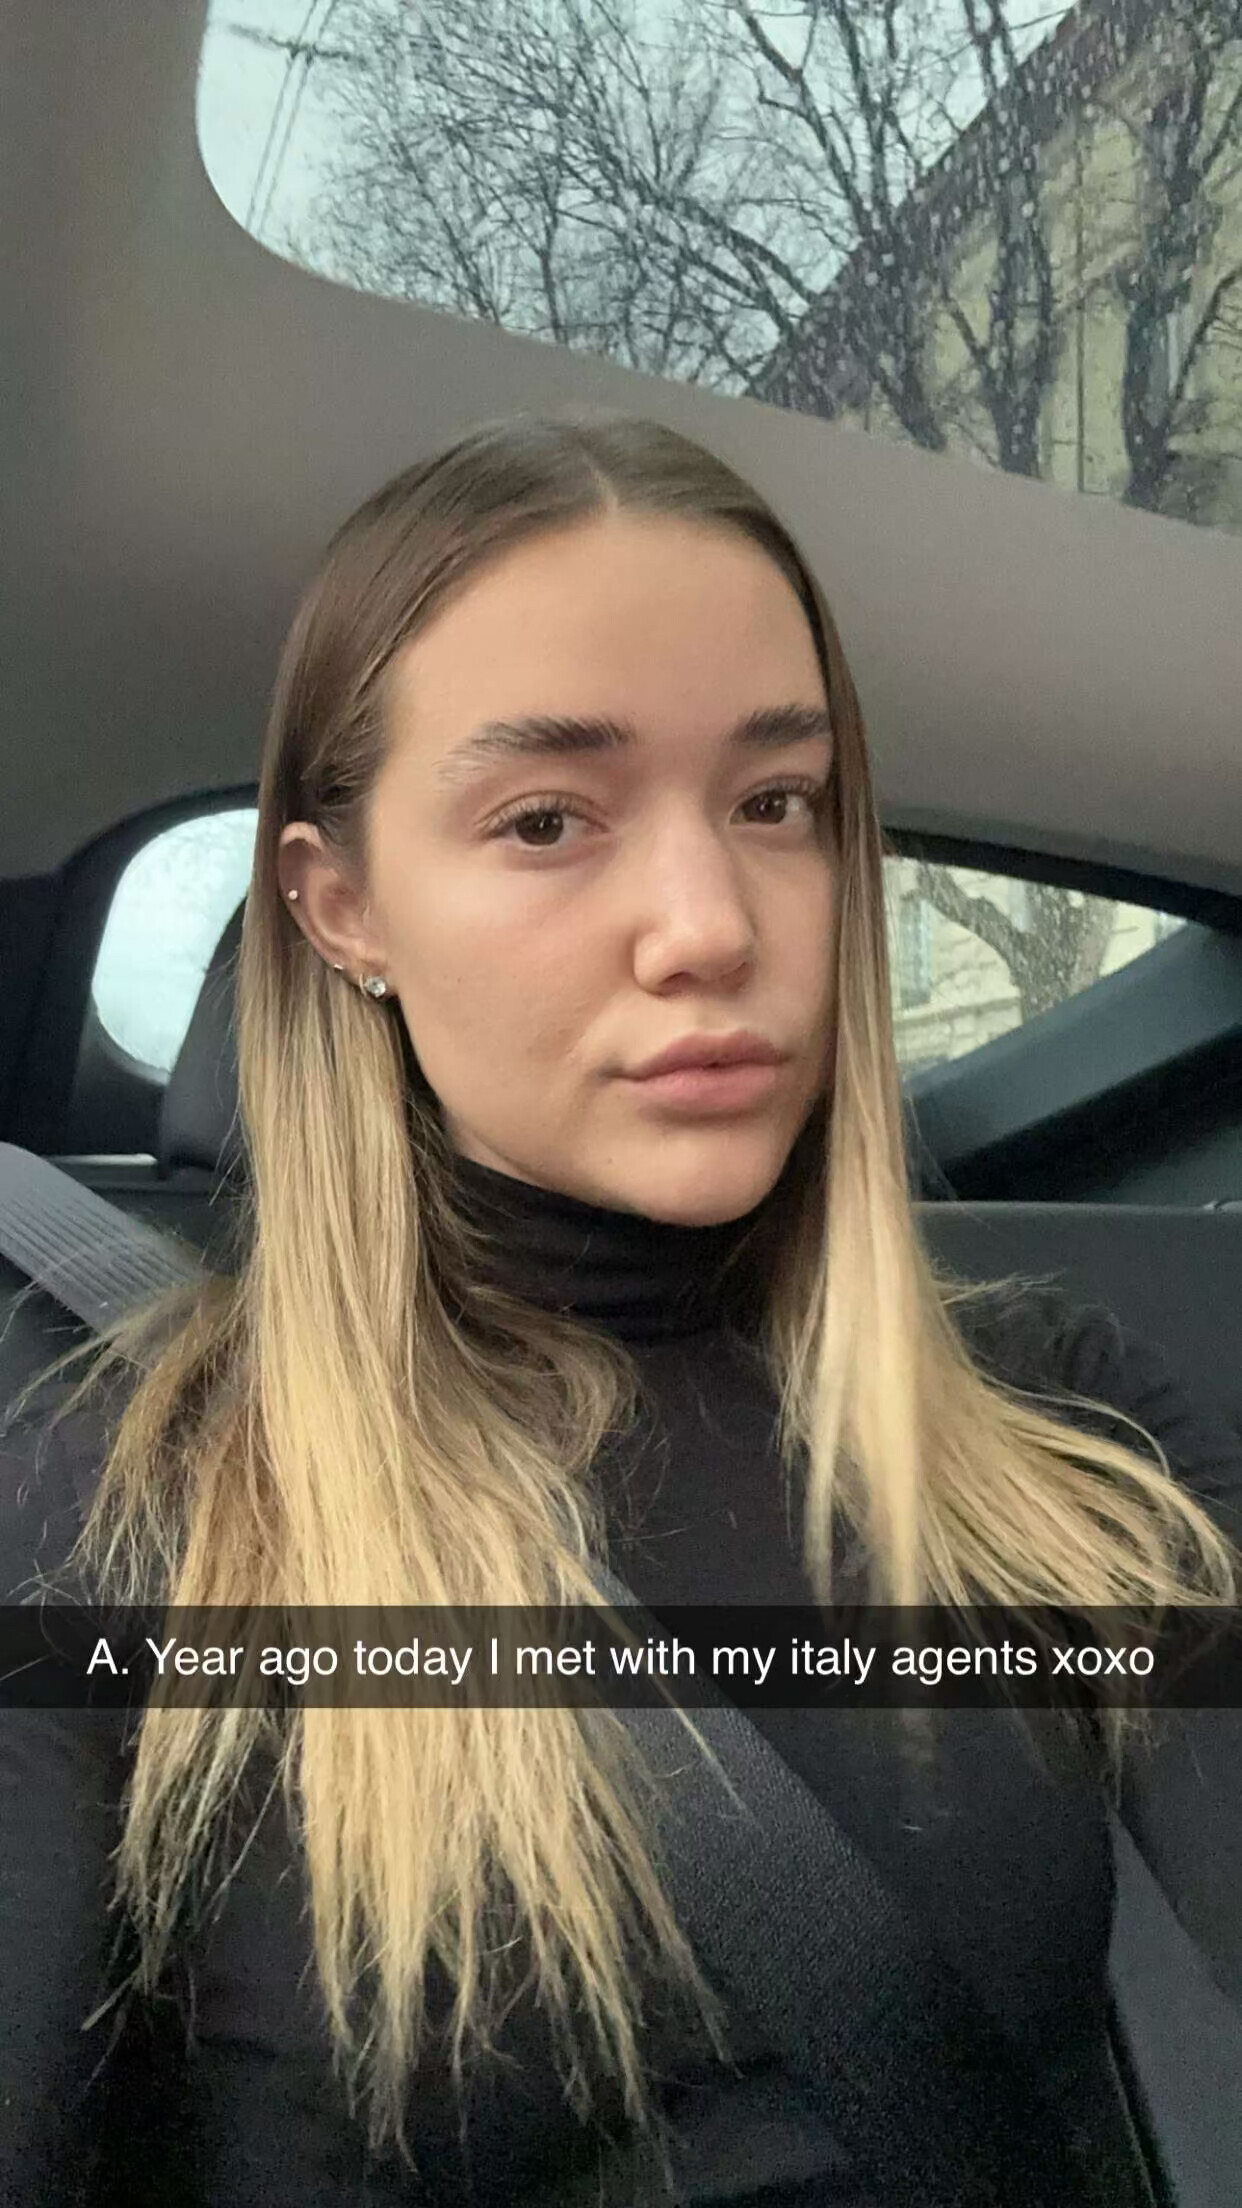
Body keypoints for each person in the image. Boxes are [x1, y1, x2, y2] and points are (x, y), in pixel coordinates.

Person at [1, 407, 1240, 2208]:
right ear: (341, 908)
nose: (709, 924)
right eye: (546, 820)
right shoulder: (120, 1493)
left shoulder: (1052, 1418)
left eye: (774, 802)